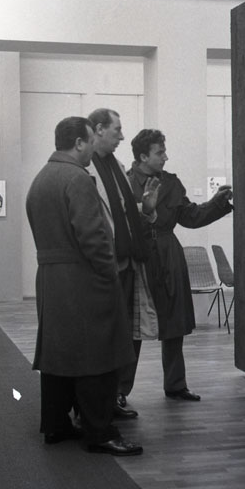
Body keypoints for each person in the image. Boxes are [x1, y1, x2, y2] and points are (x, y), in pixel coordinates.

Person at [26, 116, 142, 456]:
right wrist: (109, 274)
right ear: (78, 143)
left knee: (59, 356)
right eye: (90, 140)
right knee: (97, 356)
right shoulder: (77, 178)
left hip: (51, 280)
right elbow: (93, 237)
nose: (93, 147)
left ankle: (56, 425)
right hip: (83, 279)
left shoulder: (41, 178)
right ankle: (99, 431)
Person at [127, 129, 233, 401]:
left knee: (174, 321)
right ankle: (119, 392)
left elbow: (190, 217)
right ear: (143, 156)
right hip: (139, 255)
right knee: (134, 324)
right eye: (160, 152)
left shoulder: (171, 183)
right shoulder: (124, 183)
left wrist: (216, 203)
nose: (166, 157)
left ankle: (175, 385)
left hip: (168, 254)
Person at [87, 108, 160, 418]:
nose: (121, 136)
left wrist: (147, 209)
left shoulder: (116, 166)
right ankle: (100, 399)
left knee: (131, 333)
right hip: (106, 267)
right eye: (117, 129)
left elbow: (125, 216)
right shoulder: (85, 168)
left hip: (129, 263)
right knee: (107, 335)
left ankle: (119, 393)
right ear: (99, 129)